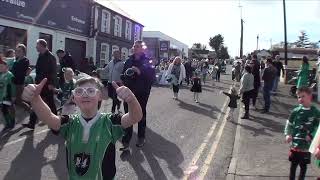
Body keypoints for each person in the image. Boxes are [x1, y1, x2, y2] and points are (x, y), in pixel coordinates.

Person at [22, 76, 142, 179]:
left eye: (90, 91)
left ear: (99, 96)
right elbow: (49, 118)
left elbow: (135, 117)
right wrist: (35, 99)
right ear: (74, 98)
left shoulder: (110, 121)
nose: (85, 94)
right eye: (79, 91)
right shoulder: (69, 122)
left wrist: (131, 100)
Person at [121, 40, 155, 150]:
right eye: (134, 46)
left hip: (142, 92)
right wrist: (124, 78)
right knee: (127, 114)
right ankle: (126, 141)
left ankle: (141, 137)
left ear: (142, 49)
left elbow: (152, 78)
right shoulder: (128, 60)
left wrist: (139, 72)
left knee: (140, 114)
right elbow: (123, 74)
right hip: (129, 91)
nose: (135, 48)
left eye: (138, 46)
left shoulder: (148, 61)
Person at [284, 87, 320, 180]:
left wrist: (311, 135)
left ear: (310, 96)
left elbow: (318, 127)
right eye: (298, 97)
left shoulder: (315, 112)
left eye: (303, 96)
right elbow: (289, 124)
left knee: (303, 167)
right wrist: (288, 134)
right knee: (293, 166)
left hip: (306, 146)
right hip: (295, 145)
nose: (300, 99)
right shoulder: (296, 111)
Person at [23, 39, 57, 130]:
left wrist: (52, 84)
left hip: (47, 84)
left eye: (37, 45)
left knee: (51, 103)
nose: (36, 47)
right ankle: (31, 123)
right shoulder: (40, 56)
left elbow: (54, 71)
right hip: (39, 84)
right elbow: (39, 71)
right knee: (35, 102)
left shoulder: (51, 57)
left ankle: (56, 122)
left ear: (42, 46)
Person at [11, 44, 30, 112]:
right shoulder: (15, 59)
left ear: (23, 52)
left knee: (18, 101)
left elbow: (21, 72)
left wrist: (17, 61)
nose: (17, 52)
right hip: (13, 83)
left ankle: (31, 112)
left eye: (19, 51)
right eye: (17, 51)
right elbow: (12, 70)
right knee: (12, 100)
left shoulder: (25, 60)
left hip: (19, 83)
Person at [0, 59, 16, 131]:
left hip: (7, 96)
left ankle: (10, 123)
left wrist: (13, 96)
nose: (0, 68)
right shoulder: (0, 75)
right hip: (1, 96)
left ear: (6, 67)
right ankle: (9, 122)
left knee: (5, 109)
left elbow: (13, 86)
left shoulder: (10, 75)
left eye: (2, 66)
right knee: (4, 110)